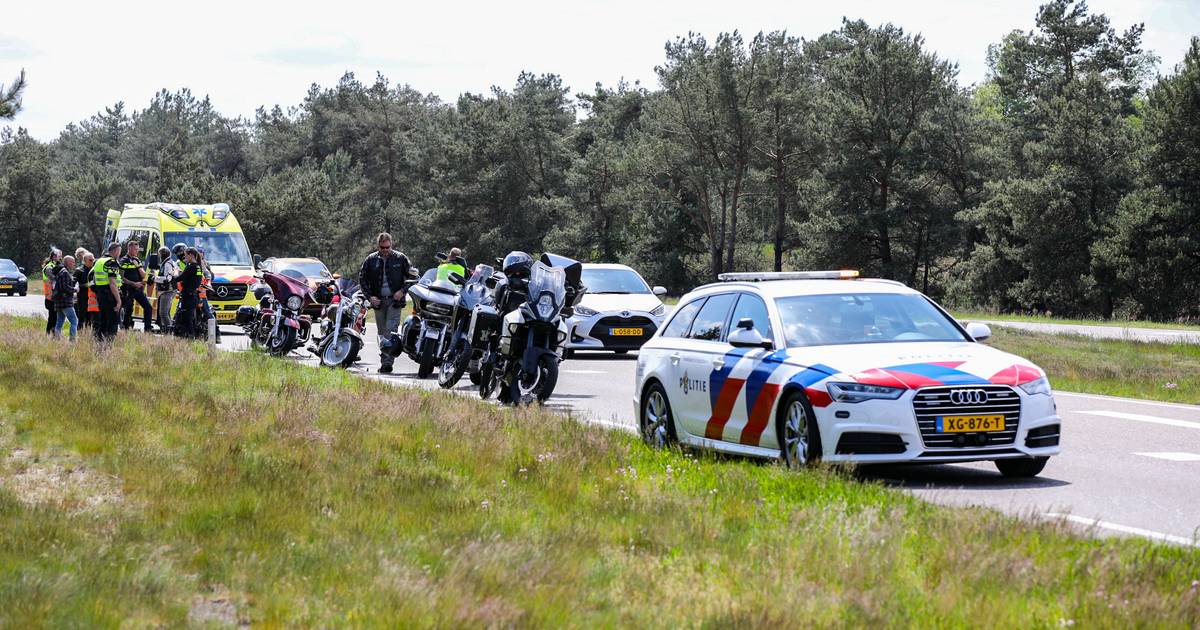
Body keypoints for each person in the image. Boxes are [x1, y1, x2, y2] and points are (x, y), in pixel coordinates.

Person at [358, 232, 411, 374]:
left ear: (391, 245)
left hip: (395, 302)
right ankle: (384, 362)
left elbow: (413, 277)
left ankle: (387, 363)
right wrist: (370, 297)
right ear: (378, 246)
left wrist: (402, 291)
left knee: (390, 331)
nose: (385, 250)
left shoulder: (401, 258)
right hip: (379, 303)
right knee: (381, 334)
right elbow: (362, 279)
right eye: (382, 247)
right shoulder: (370, 260)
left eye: (387, 247)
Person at [91, 242, 123, 342]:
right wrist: (118, 301)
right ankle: (108, 346)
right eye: (119, 252)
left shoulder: (99, 261)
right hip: (110, 295)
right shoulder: (112, 262)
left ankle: (99, 343)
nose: (119, 254)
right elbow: (112, 283)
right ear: (116, 251)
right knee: (112, 323)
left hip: (101, 295)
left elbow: (92, 278)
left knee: (103, 321)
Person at [119, 239, 153, 332]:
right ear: (129, 248)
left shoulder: (137, 259)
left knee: (148, 307)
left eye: (138, 249)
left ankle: (148, 330)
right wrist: (134, 283)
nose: (137, 251)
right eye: (135, 249)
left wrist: (137, 266)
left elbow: (143, 275)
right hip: (128, 289)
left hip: (138, 289)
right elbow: (121, 277)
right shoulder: (124, 260)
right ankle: (125, 329)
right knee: (128, 309)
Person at [171, 247, 204, 338]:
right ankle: (191, 336)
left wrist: (175, 272)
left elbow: (179, 278)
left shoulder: (191, 266)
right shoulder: (198, 266)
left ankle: (189, 337)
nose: (185, 257)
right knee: (190, 317)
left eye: (186, 255)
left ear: (191, 255)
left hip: (188, 296)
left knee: (186, 318)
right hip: (194, 295)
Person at [52, 255, 79, 341]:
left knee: (59, 322)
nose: (74, 264)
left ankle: (56, 339)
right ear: (67, 262)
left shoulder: (61, 271)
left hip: (59, 301)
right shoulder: (64, 272)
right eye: (72, 262)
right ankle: (72, 340)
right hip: (65, 301)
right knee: (74, 321)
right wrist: (75, 289)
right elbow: (64, 287)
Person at [153, 246, 177, 332]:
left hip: (168, 291)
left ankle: (169, 332)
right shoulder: (170, 262)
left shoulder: (167, 263)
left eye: (160, 254)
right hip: (169, 290)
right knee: (166, 313)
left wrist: (155, 278)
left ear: (162, 254)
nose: (159, 256)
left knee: (163, 313)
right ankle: (169, 330)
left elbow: (167, 278)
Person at [41, 247, 62, 335]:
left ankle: (53, 334)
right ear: (54, 257)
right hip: (50, 297)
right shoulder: (49, 267)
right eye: (59, 256)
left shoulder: (55, 266)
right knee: (52, 318)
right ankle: (49, 334)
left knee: (55, 317)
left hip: (54, 296)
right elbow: (55, 279)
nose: (61, 258)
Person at [75, 251, 93, 328]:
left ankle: (88, 335)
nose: (92, 261)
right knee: (82, 318)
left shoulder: (95, 269)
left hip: (93, 299)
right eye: (90, 260)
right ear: (84, 261)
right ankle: (80, 335)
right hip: (83, 298)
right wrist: (86, 285)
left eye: (93, 259)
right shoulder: (79, 270)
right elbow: (74, 283)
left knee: (91, 319)